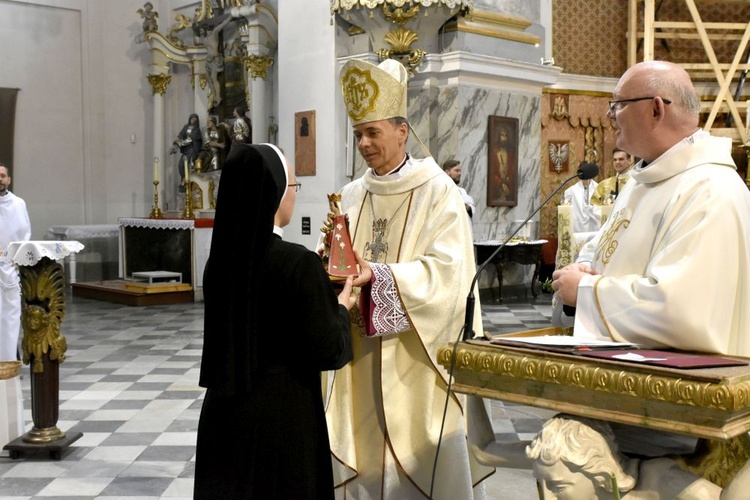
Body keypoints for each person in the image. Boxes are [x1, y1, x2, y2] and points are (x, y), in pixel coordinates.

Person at [326, 58, 492, 499]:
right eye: (358, 134)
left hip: (414, 360)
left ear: (402, 131)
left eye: (372, 132)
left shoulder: (439, 192)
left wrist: (378, 277)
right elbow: (338, 261)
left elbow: (451, 277)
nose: (363, 143)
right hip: (359, 353)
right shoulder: (351, 195)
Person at [551, 60, 750, 356]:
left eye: (618, 104)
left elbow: (681, 309)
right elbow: (605, 248)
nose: (609, 115)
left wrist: (586, 290)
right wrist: (580, 267)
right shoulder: (641, 180)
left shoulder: (709, 189)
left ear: (656, 109)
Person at [194, 143, 356, 499]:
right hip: (282, 421)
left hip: (223, 417)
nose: (295, 196)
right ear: (276, 193)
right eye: (294, 187)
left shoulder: (217, 263)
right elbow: (329, 349)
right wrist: (342, 306)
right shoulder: (297, 264)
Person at [527, 414, 750, 499]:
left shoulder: (655, 481)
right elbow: (489, 449)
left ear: (598, 473)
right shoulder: (554, 464)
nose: (546, 499)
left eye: (557, 488)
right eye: (541, 483)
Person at [0, 163, 31, 361]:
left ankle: (9, 359)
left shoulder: (19, 204)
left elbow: (26, 233)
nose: (0, 179)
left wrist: (14, 256)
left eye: (3, 175)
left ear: (9, 179)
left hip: (10, 266)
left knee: (10, 316)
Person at [198, 15, 232, 107]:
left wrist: (230, 16)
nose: (201, 32)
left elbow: (223, 24)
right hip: (209, 60)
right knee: (208, 79)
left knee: (214, 78)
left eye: (202, 30)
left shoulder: (214, 33)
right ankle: (214, 95)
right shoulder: (204, 39)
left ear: (206, 29)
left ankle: (218, 97)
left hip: (216, 59)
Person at [561, 163, 600, 233]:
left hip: (595, 230)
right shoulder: (570, 191)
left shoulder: (599, 189)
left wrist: (591, 210)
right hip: (576, 231)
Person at [172, 113, 202, 190]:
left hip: (192, 150)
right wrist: (176, 144)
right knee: (181, 165)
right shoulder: (186, 126)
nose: (193, 121)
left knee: (189, 166)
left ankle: (189, 182)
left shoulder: (196, 130)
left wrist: (179, 143)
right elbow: (181, 135)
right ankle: (183, 179)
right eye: (192, 119)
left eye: (195, 120)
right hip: (185, 150)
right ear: (189, 119)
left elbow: (190, 140)